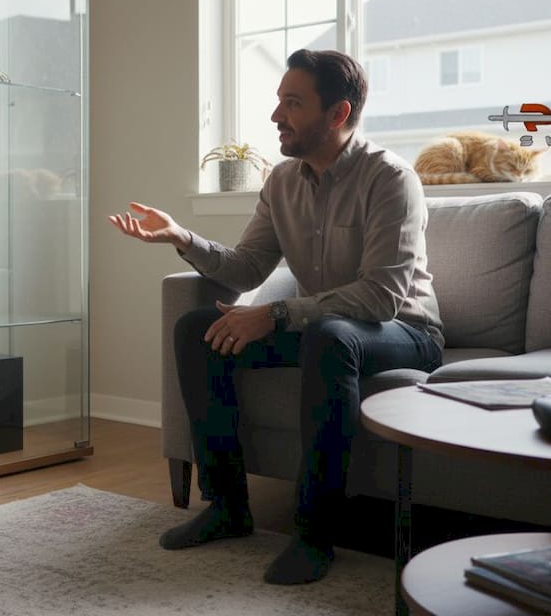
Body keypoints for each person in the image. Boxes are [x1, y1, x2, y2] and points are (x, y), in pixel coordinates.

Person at [108, 49, 443, 585]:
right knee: (198, 331)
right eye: (278, 101)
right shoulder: (282, 181)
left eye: (292, 103)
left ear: (337, 114)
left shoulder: (390, 179)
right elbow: (246, 269)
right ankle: (227, 507)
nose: (275, 117)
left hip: (405, 330)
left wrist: (278, 313)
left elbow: (381, 297)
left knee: (331, 338)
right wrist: (181, 236)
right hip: (327, 328)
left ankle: (315, 533)